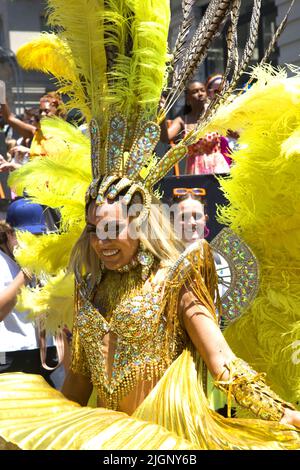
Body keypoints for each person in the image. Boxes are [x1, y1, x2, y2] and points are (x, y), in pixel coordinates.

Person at [0, 0, 299, 451]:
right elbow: (76, 391)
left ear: (139, 223)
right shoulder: (90, 287)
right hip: (104, 439)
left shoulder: (179, 274)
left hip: (168, 444)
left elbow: (222, 363)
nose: (101, 243)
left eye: (112, 228)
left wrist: (283, 412)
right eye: (93, 230)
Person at [0, 199, 59, 385]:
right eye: (27, 235)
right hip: (10, 355)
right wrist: (26, 273)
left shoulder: (46, 256)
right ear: (9, 233)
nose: (34, 241)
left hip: (46, 352)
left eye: (39, 235)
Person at [160, 81, 230, 175]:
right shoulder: (182, 120)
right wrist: (162, 113)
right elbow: (165, 137)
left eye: (202, 90)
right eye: (195, 92)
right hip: (195, 171)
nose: (200, 94)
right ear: (188, 98)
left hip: (218, 168)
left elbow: (234, 131)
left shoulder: (215, 115)